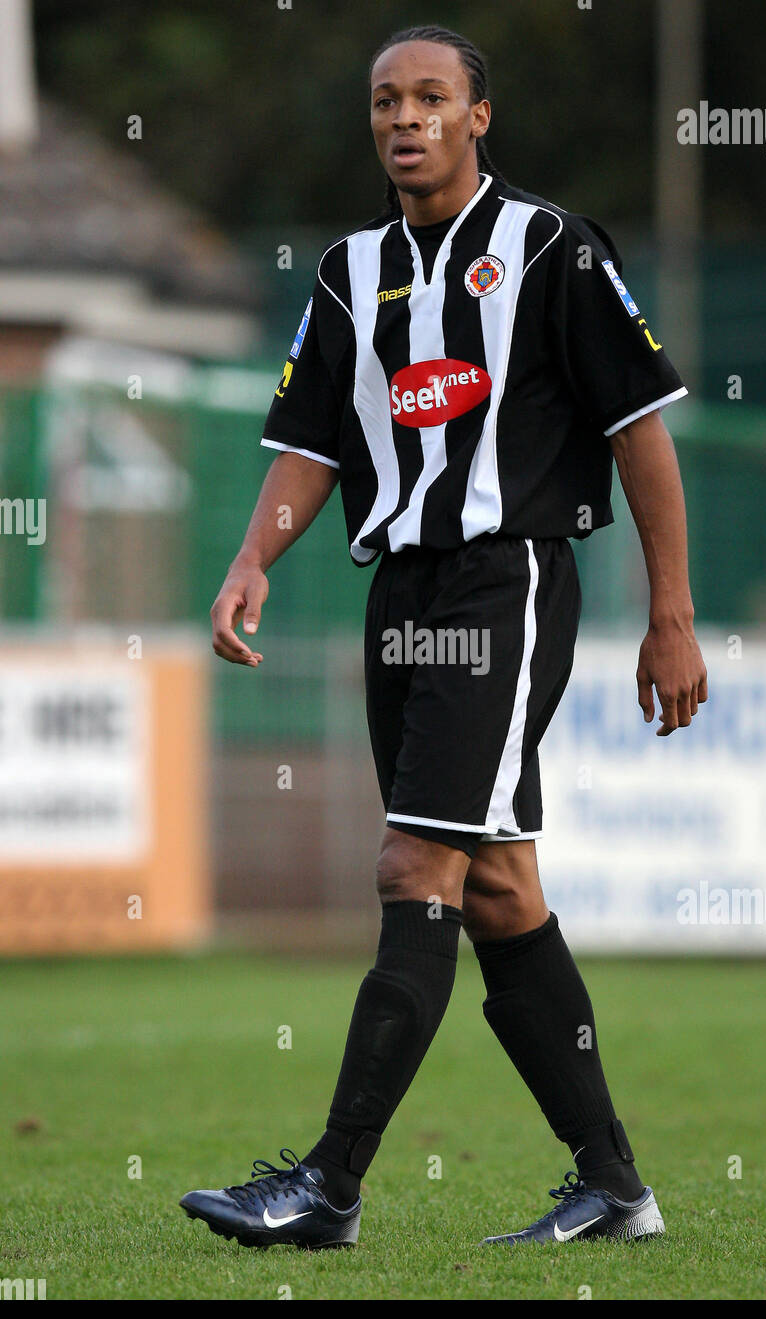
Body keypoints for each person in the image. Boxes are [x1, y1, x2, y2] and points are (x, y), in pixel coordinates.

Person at [181, 24, 707, 1251]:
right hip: (401, 593)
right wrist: (253, 558)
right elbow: (312, 442)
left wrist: (671, 618)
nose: (403, 118)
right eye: (384, 101)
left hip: (504, 581)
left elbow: (639, 429)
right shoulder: (348, 271)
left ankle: (330, 1183)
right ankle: (616, 1187)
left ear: (479, 116)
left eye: (430, 98)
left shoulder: (550, 248)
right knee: (501, 891)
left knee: (412, 869)